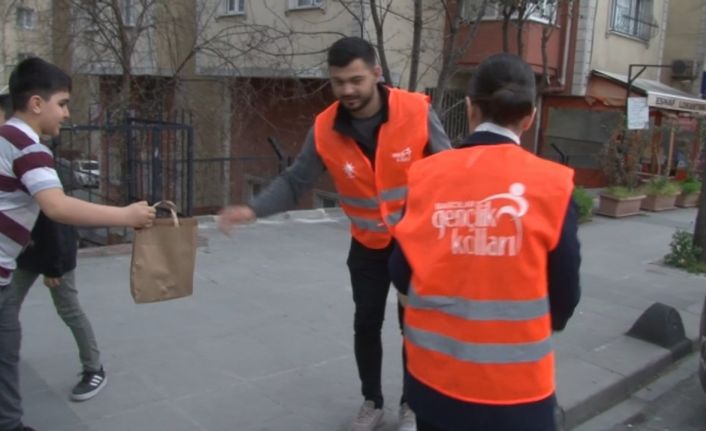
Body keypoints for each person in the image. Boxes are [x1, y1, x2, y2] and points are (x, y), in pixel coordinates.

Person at [218, 36, 451, 431]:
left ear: (376, 74)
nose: (348, 90)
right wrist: (253, 209)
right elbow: (296, 182)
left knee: (414, 325)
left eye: (356, 80)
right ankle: (371, 401)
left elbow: (450, 169)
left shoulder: (414, 110)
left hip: (416, 244)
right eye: (338, 81)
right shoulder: (325, 127)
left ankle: (412, 402)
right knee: (366, 324)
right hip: (367, 244)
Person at [389, 53, 581, 431]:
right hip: (517, 395)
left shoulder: (425, 175)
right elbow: (565, 292)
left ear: (469, 108)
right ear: (530, 117)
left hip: (433, 385)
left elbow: (400, 271)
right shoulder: (553, 185)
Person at [0, 57, 155, 431]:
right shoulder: (30, 148)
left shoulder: (5, 136)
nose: (67, 114)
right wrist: (126, 216)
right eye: (63, 103)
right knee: (6, 351)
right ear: (37, 103)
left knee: (6, 347)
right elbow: (57, 206)